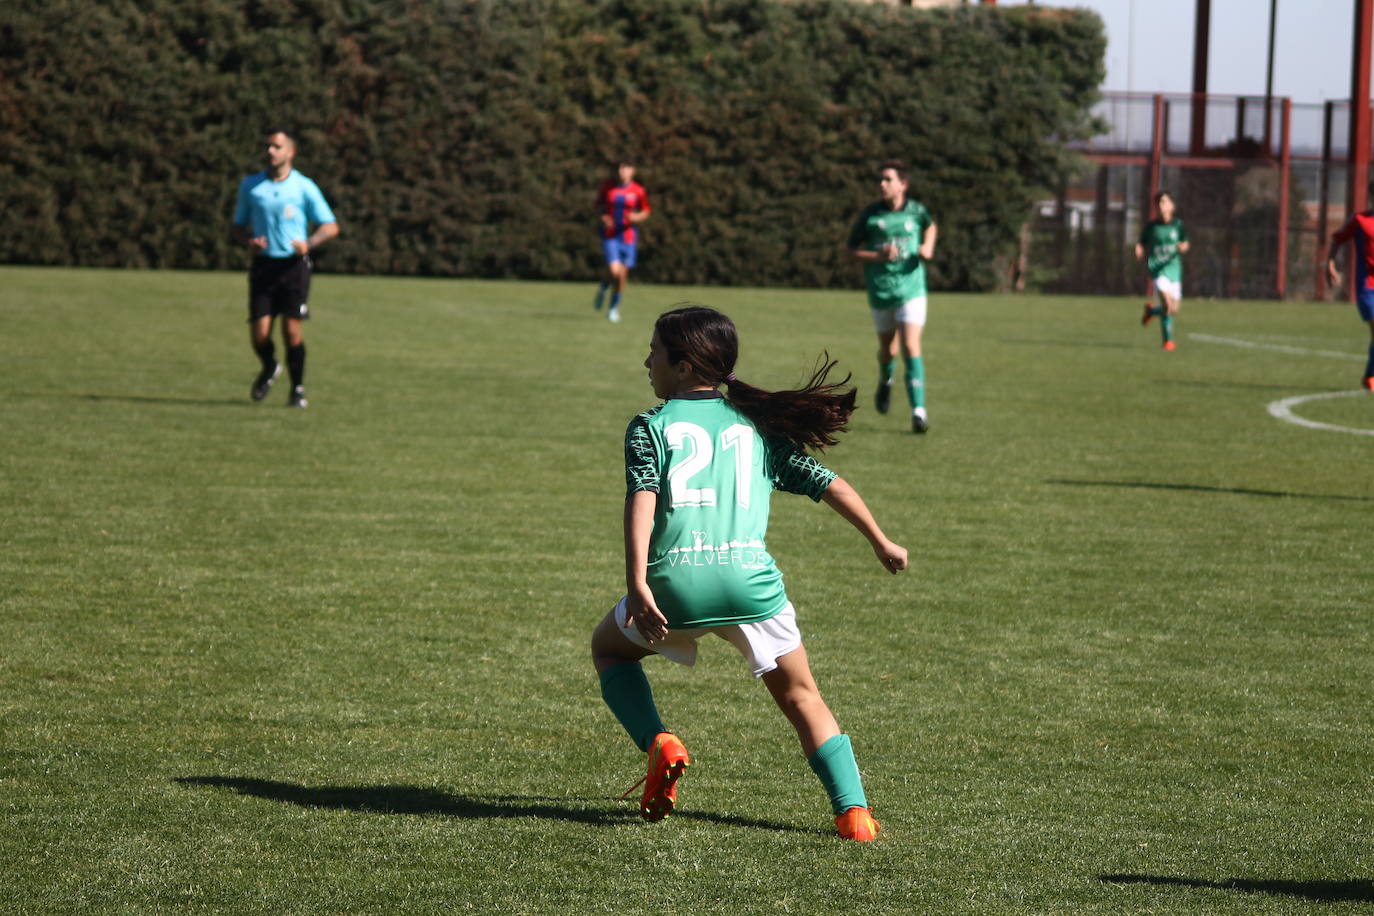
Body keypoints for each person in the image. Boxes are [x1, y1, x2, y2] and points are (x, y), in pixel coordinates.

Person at [590, 305, 909, 842]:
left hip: (675, 589)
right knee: (802, 696)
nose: (646, 360)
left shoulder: (650, 425)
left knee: (609, 650)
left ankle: (660, 743)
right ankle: (853, 814)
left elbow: (642, 498)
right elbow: (825, 480)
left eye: (655, 352)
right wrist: (880, 539)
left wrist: (638, 583)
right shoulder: (756, 428)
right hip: (750, 586)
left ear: (686, 366)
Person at [232, 128, 339, 408]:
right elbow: (238, 227)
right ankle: (269, 366)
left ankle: (297, 390)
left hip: (294, 267)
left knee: (292, 331)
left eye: (277, 147)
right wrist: (249, 242)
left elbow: (330, 226)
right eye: (268, 146)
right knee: (260, 334)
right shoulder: (251, 186)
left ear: (290, 152)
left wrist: (309, 243)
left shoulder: (303, 186)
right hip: (264, 265)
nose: (270, 151)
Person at [846, 159, 937, 434]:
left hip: (912, 290)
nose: (882, 184)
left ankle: (918, 412)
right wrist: (877, 256)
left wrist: (927, 247)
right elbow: (850, 250)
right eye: (881, 180)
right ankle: (886, 380)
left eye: (888, 179)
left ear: (903, 184)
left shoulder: (916, 211)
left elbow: (931, 226)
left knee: (910, 346)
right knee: (889, 349)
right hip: (881, 290)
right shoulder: (871, 215)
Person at [1325, 191, 1374, 391]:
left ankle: (1370, 376)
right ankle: (1370, 376)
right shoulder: (1360, 220)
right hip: (1367, 288)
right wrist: (1329, 264)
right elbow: (1338, 238)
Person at [593, 158, 651, 324]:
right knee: (614, 271)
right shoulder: (608, 187)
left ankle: (613, 308)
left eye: (625, 168)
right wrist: (603, 217)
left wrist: (637, 216)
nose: (622, 171)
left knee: (622, 276)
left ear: (632, 171)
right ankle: (604, 286)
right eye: (620, 168)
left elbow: (646, 210)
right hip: (611, 235)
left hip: (628, 237)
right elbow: (598, 206)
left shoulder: (638, 190)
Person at [1135, 191, 1189, 352]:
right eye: (1158, 202)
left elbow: (1185, 243)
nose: (1161, 205)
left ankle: (1151, 311)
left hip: (1174, 270)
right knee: (1167, 304)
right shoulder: (1152, 227)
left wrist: (1182, 247)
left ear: (1172, 206)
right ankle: (1168, 341)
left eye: (1164, 202)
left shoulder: (1178, 225)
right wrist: (1138, 249)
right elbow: (1141, 242)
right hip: (1158, 270)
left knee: (1173, 309)